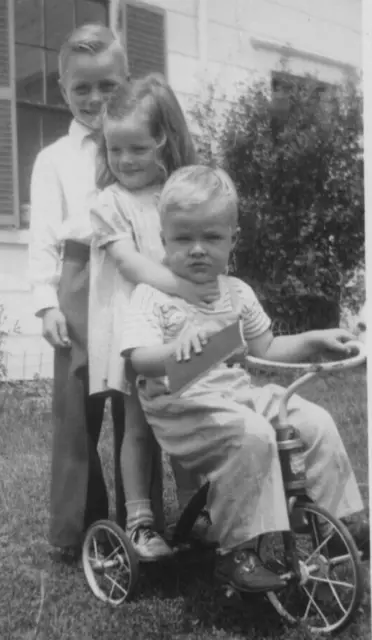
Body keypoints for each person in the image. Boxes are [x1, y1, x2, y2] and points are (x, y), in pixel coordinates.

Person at [120, 165, 369, 591]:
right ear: (164, 241)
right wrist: (175, 350)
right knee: (254, 435)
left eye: (211, 238)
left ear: (232, 241)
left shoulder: (237, 292)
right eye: (183, 238)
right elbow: (139, 361)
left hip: (234, 396)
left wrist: (313, 339)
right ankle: (238, 551)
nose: (197, 250)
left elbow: (266, 348)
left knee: (312, 422)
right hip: (180, 407)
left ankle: (335, 523)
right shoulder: (154, 296)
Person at [88, 75, 218, 560]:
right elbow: (131, 264)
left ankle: (192, 512)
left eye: (137, 148)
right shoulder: (109, 203)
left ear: (165, 138)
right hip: (134, 333)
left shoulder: (179, 194)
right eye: (114, 149)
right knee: (139, 426)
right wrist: (188, 287)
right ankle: (140, 520)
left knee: (184, 417)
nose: (124, 160)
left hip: (181, 329)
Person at [28, 24, 134, 561]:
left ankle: (140, 519)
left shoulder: (139, 148)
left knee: (133, 399)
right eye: (82, 89)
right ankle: (80, 525)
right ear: (62, 89)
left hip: (130, 275)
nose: (96, 99)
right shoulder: (53, 158)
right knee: (76, 408)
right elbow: (44, 233)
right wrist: (47, 303)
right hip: (76, 276)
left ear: (127, 82)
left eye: (109, 86)